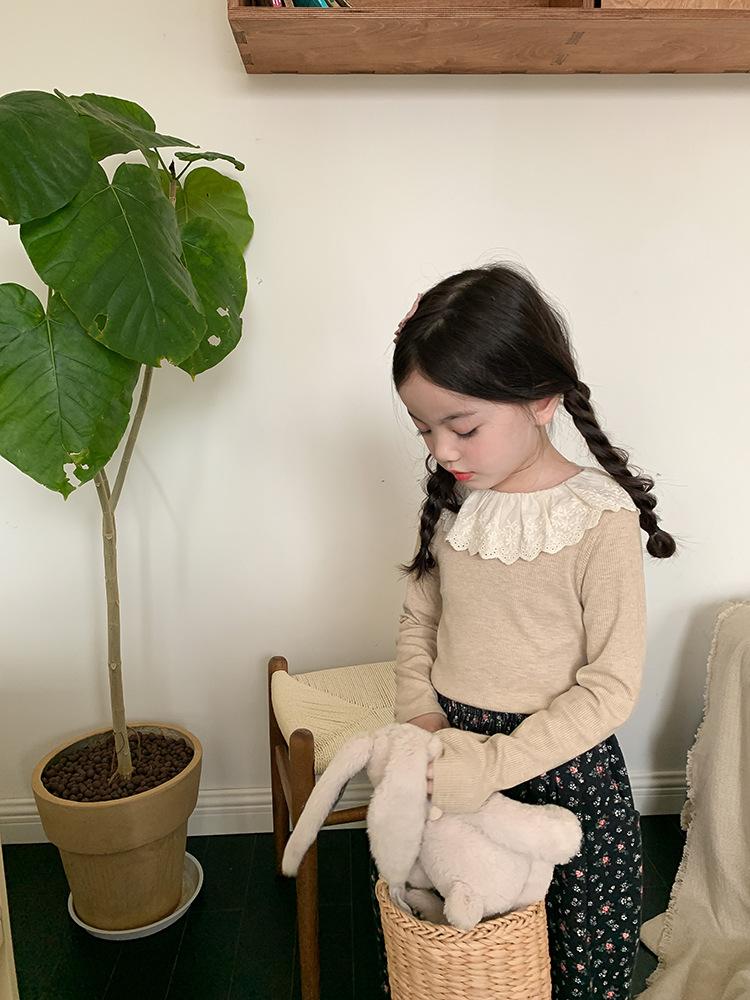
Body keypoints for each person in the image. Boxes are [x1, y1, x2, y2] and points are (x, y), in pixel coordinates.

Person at [389, 263, 676, 1000]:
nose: (443, 451)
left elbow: (610, 687)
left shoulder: (597, 519)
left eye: (463, 427)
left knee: (578, 955)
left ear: (542, 398)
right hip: (455, 751)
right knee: (472, 952)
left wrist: (499, 764)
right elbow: (420, 620)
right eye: (424, 429)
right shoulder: (457, 503)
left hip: (562, 768)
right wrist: (423, 721)